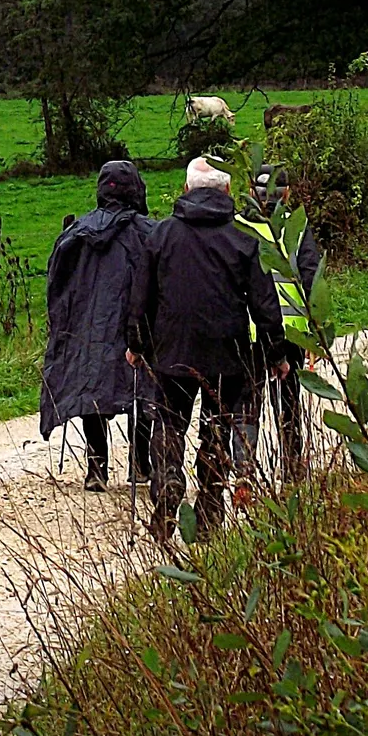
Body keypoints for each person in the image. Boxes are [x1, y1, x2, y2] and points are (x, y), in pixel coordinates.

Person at [130, 157, 285, 539]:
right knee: (215, 429)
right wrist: (275, 353)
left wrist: (135, 343)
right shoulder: (244, 239)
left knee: (169, 423)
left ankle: (168, 482)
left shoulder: (161, 235)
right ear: (228, 191)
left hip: (172, 350)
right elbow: (265, 304)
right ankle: (210, 510)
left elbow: (140, 297)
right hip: (226, 354)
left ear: (186, 189)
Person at [41, 161, 156, 491]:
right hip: (137, 322)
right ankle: (140, 462)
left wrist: (63, 322)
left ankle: (96, 467)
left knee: (91, 385)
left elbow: (56, 284)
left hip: (88, 324)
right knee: (140, 387)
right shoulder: (149, 233)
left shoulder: (76, 234)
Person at [241, 164, 323, 483]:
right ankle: (292, 469)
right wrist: (316, 330)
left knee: (248, 403)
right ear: (286, 194)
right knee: (288, 404)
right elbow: (311, 276)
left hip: (248, 331)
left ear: (252, 193)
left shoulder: (238, 225)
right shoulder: (296, 227)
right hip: (290, 332)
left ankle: (245, 472)